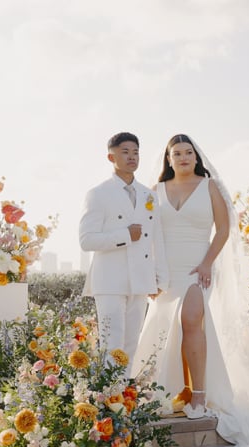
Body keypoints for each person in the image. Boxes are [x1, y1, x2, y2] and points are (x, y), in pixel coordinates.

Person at [131, 134, 249, 447]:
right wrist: (152, 275)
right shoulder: (154, 190)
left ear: (196, 156)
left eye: (188, 152)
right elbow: (148, 235)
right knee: (166, 328)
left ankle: (200, 397)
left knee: (191, 318)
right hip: (167, 271)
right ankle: (167, 392)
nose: (183, 157)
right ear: (168, 158)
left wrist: (208, 263)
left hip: (198, 267)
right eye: (176, 153)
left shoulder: (209, 186)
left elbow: (224, 230)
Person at [79, 132, 167, 377]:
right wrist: (125, 235)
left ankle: (124, 401)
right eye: (125, 152)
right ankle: (108, 399)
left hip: (140, 280)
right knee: (112, 343)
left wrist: (160, 278)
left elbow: (156, 238)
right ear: (111, 156)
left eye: (135, 152)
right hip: (110, 281)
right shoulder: (98, 193)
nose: (132, 157)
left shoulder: (149, 195)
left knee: (131, 343)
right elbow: (86, 240)